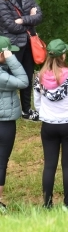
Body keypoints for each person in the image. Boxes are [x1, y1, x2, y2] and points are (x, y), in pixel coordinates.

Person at [33, 39, 68, 209]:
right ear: (63, 55)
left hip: (49, 125)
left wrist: (47, 115)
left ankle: (47, 204)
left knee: (49, 165)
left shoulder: (39, 77)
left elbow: (37, 103)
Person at [0, 0, 43, 121]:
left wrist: (23, 20)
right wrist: (29, 19)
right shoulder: (1, 0)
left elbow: (39, 15)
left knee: (27, 76)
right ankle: (6, 110)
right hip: (12, 45)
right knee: (8, 78)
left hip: (29, 42)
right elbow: (11, 26)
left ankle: (26, 110)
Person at [0, 36, 28, 213]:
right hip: (4, 124)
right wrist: (11, 58)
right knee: (1, 162)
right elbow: (23, 81)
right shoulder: (2, 76)